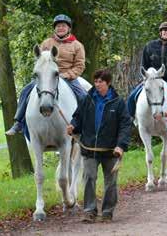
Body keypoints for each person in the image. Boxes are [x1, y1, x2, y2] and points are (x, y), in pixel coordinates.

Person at [67, 69, 131, 223]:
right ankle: (89, 211)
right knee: (89, 177)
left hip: (111, 151)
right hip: (89, 148)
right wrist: (73, 126)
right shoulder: (87, 99)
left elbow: (125, 125)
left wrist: (121, 145)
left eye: (101, 81)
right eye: (95, 81)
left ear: (108, 83)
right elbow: (78, 117)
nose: (97, 84)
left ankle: (107, 212)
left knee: (111, 183)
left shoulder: (118, 102)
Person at [6, 14, 86, 135]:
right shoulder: (47, 43)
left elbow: (80, 65)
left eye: (63, 26)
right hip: (47, 78)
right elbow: (40, 61)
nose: (60, 28)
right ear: (55, 28)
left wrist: (67, 75)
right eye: (58, 26)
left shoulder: (77, 45)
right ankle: (18, 122)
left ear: (68, 28)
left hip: (68, 77)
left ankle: (86, 125)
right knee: (25, 91)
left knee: (84, 97)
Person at [127, 21, 167, 118]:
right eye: (165, 30)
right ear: (160, 32)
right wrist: (146, 78)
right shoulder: (149, 46)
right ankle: (129, 120)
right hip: (151, 79)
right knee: (132, 96)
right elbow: (144, 65)